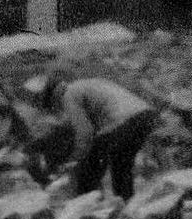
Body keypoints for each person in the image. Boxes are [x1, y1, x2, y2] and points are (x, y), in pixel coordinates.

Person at [27, 71, 163, 199]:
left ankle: (85, 202)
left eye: (52, 105)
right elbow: (82, 124)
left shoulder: (69, 95)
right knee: (121, 165)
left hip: (123, 121)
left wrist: (76, 158)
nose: (57, 108)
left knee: (90, 168)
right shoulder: (87, 84)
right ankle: (126, 203)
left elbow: (85, 133)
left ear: (52, 96)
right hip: (145, 115)